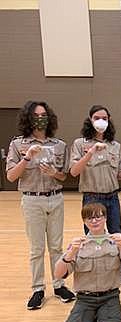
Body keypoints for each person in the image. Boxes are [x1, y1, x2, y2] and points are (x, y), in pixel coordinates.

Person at [6, 100, 75, 310]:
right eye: (36, 115)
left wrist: (54, 173)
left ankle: (59, 284)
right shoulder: (18, 144)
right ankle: (37, 288)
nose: (40, 118)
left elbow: (65, 176)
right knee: (37, 248)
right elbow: (10, 176)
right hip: (32, 199)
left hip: (55, 198)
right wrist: (27, 158)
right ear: (28, 118)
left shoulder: (59, 145)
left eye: (43, 114)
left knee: (56, 247)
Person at [70, 105, 121, 287]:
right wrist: (90, 152)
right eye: (96, 117)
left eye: (104, 117)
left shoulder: (115, 146)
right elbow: (74, 171)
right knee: (92, 237)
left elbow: (120, 174)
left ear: (109, 120)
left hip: (112, 197)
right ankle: (94, 273)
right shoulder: (80, 144)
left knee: (117, 235)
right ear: (90, 120)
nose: (100, 121)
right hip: (92, 198)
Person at [54, 203, 121, 322]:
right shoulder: (78, 245)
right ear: (84, 222)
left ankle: (103, 319)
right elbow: (58, 274)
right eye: (89, 218)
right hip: (84, 300)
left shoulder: (115, 242)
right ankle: (91, 319)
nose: (94, 221)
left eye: (98, 216)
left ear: (105, 218)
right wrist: (71, 252)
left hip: (109, 298)